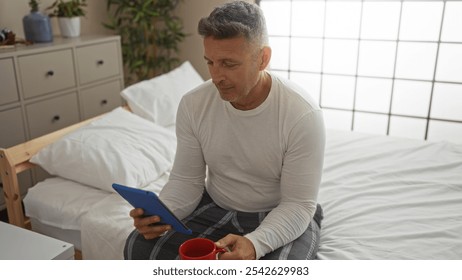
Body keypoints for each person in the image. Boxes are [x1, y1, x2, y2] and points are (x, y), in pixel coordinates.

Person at [124, 0, 325, 260]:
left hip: (280, 213)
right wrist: (161, 213)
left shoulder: (302, 114)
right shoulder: (194, 104)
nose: (216, 76)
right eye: (210, 62)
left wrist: (255, 244)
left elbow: (298, 204)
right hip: (214, 204)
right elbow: (186, 180)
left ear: (263, 59)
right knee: (138, 246)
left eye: (229, 64)